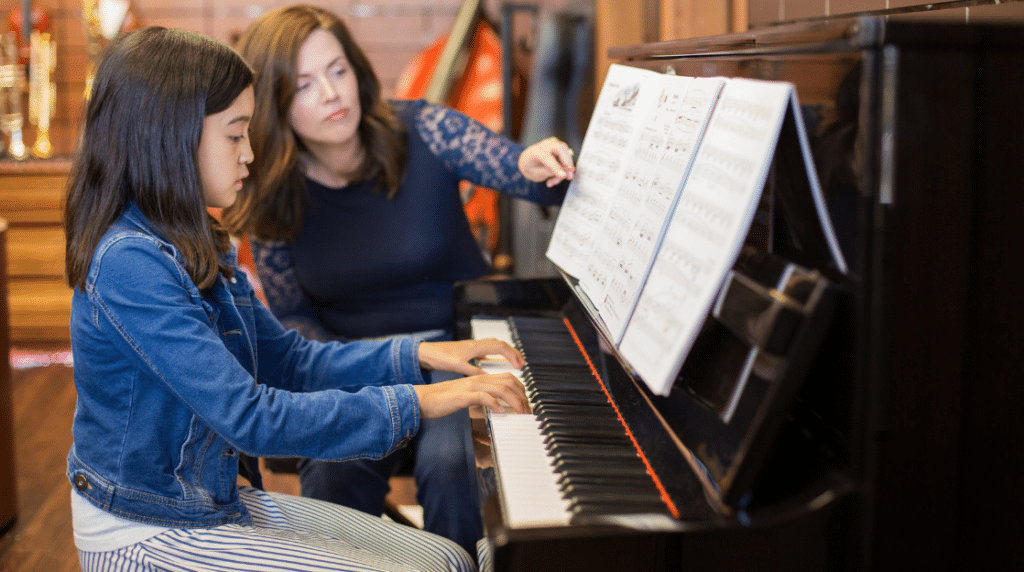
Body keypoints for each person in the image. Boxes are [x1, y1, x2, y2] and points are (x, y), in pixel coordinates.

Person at [64, 26, 531, 572]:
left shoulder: (197, 237)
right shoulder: (129, 262)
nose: (251, 154)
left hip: (212, 500)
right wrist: (426, 400)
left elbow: (288, 360)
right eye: (236, 135)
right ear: (173, 140)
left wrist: (422, 356)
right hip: (148, 528)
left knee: (450, 559)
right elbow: (251, 417)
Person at [220, 4, 576, 558]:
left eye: (338, 71)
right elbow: (294, 318)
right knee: (332, 473)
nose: (332, 95)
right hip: (357, 370)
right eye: (304, 86)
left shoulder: (426, 129)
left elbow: (520, 171)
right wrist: (360, 373)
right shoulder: (270, 193)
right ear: (274, 104)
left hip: (462, 352)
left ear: (357, 70)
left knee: (453, 464)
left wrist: (535, 163)